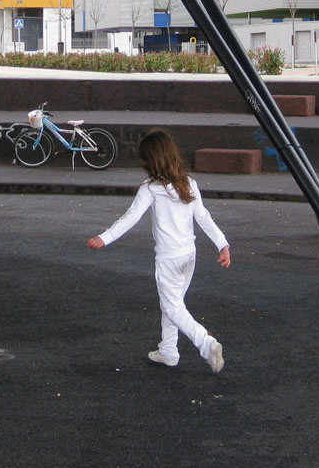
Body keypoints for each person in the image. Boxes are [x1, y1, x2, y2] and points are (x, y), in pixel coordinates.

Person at [87, 129, 230, 372]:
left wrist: (105, 237)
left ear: (150, 161)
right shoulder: (188, 183)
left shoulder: (150, 188)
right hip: (189, 255)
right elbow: (203, 217)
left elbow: (131, 217)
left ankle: (206, 344)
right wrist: (223, 243)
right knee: (173, 303)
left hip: (169, 258)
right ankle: (168, 351)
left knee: (173, 306)